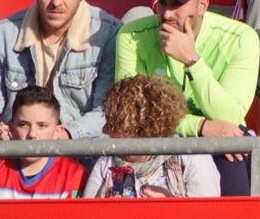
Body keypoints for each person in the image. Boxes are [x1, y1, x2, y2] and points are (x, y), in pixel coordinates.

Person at [113, 0, 259, 196]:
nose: (167, 13)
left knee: (234, 150)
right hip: (154, 139)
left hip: (217, 141)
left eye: (177, 4)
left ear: (203, 5)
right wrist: (199, 126)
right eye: (162, 3)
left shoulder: (242, 38)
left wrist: (192, 60)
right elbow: (130, 115)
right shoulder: (131, 35)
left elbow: (231, 117)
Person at [0, 0, 118, 140]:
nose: (56, 2)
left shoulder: (108, 34)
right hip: (14, 154)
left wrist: (67, 135)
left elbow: (107, 112)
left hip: (81, 156)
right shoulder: (3, 34)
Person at [81, 76, 220, 198]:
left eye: (111, 124)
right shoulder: (106, 163)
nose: (104, 130)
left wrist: (170, 205)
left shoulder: (192, 157)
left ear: (141, 128)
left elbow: (208, 212)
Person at [0, 88, 84, 199]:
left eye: (42, 125)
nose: (32, 134)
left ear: (58, 131)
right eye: (23, 124)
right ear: (11, 128)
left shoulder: (74, 174)